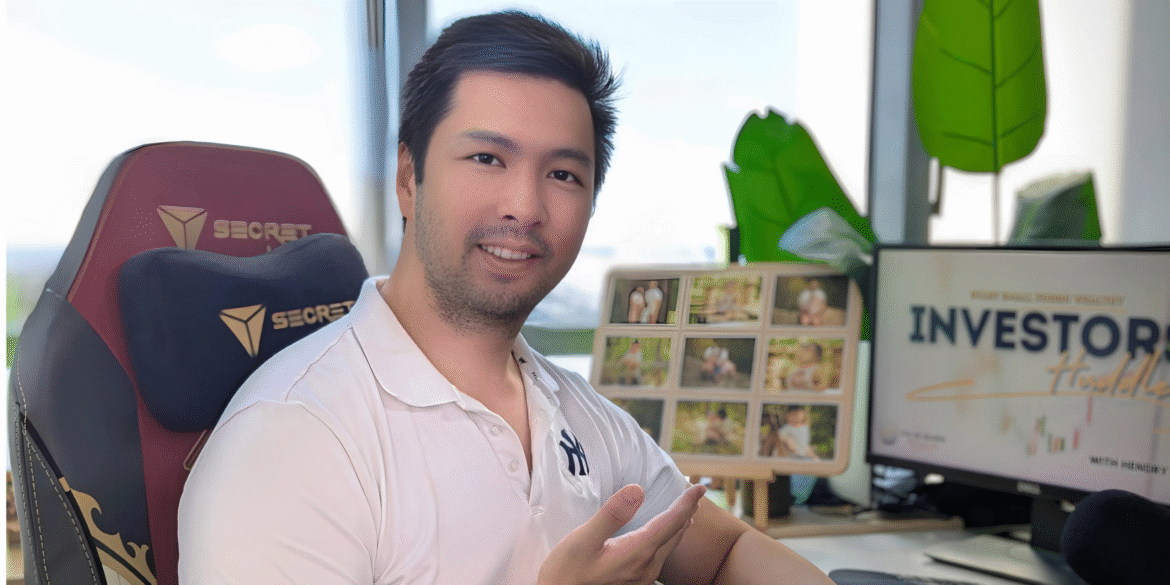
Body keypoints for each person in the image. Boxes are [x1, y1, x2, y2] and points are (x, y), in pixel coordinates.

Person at [178, 10, 832, 585]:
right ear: (408, 177)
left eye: (563, 174)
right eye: (488, 159)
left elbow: (725, 554)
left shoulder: (580, 414)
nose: (525, 206)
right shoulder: (294, 438)